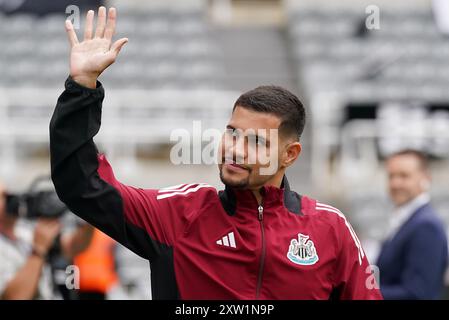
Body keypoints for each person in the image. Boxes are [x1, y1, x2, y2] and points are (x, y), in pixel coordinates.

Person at [49, 7, 382, 300]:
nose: (235, 149)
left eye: (256, 142)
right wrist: (82, 87)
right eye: (232, 133)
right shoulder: (177, 215)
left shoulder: (331, 228)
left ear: (290, 154)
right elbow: (82, 185)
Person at [0, 181, 94, 300]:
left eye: (10, 195)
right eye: (3, 197)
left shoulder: (25, 232)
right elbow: (14, 297)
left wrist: (90, 217)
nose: (11, 200)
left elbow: (72, 247)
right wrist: (38, 250)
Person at [376, 149, 448, 299]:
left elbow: (418, 294)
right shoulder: (406, 220)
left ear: (426, 178)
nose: (395, 183)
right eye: (391, 176)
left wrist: (359, 292)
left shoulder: (426, 226)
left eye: (404, 176)